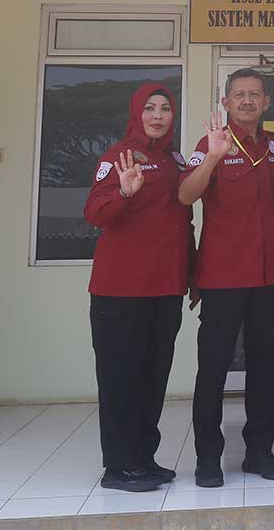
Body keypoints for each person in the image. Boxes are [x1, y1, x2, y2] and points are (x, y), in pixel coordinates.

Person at [178, 68, 274, 488]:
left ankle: (259, 451)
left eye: (254, 94)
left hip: (266, 275)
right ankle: (208, 457)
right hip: (222, 276)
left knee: (264, 368)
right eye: (238, 95)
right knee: (212, 370)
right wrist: (211, 156)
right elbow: (185, 195)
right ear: (225, 102)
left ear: (266, 103)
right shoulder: (209, 143)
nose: (246, 101)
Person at [83, 83, 194, 492]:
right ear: (136, 112)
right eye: (149, 108)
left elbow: (184, 223)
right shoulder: (118, 156)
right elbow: (95, 211)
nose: (158, 115)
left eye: (165, 108)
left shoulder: (175, 159)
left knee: (152, 377)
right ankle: (118, 466)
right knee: (120, 379)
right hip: (120, 292)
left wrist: (192, 275)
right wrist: (125, 193)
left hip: (164, 291)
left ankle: (143, 458)